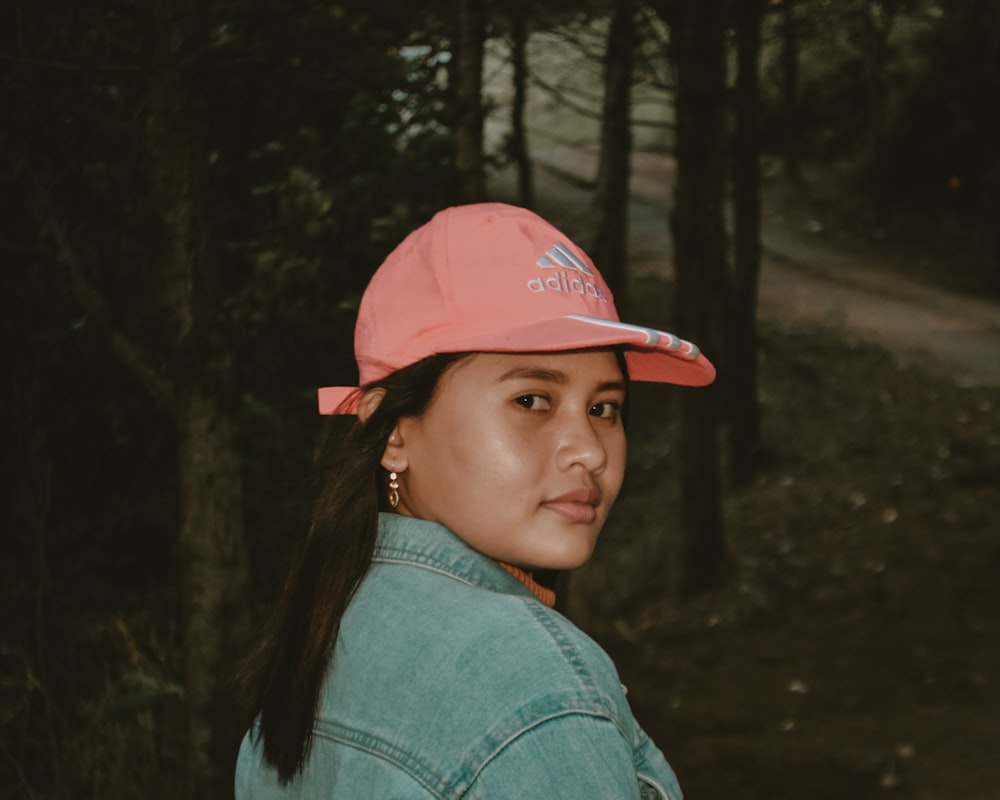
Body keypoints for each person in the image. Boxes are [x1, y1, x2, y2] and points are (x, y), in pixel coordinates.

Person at [235, 202, 715, 799]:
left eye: (604, 408)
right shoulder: (535, 692)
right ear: (393, 431)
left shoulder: (329, 628)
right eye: (532, 401)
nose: (589, 451)